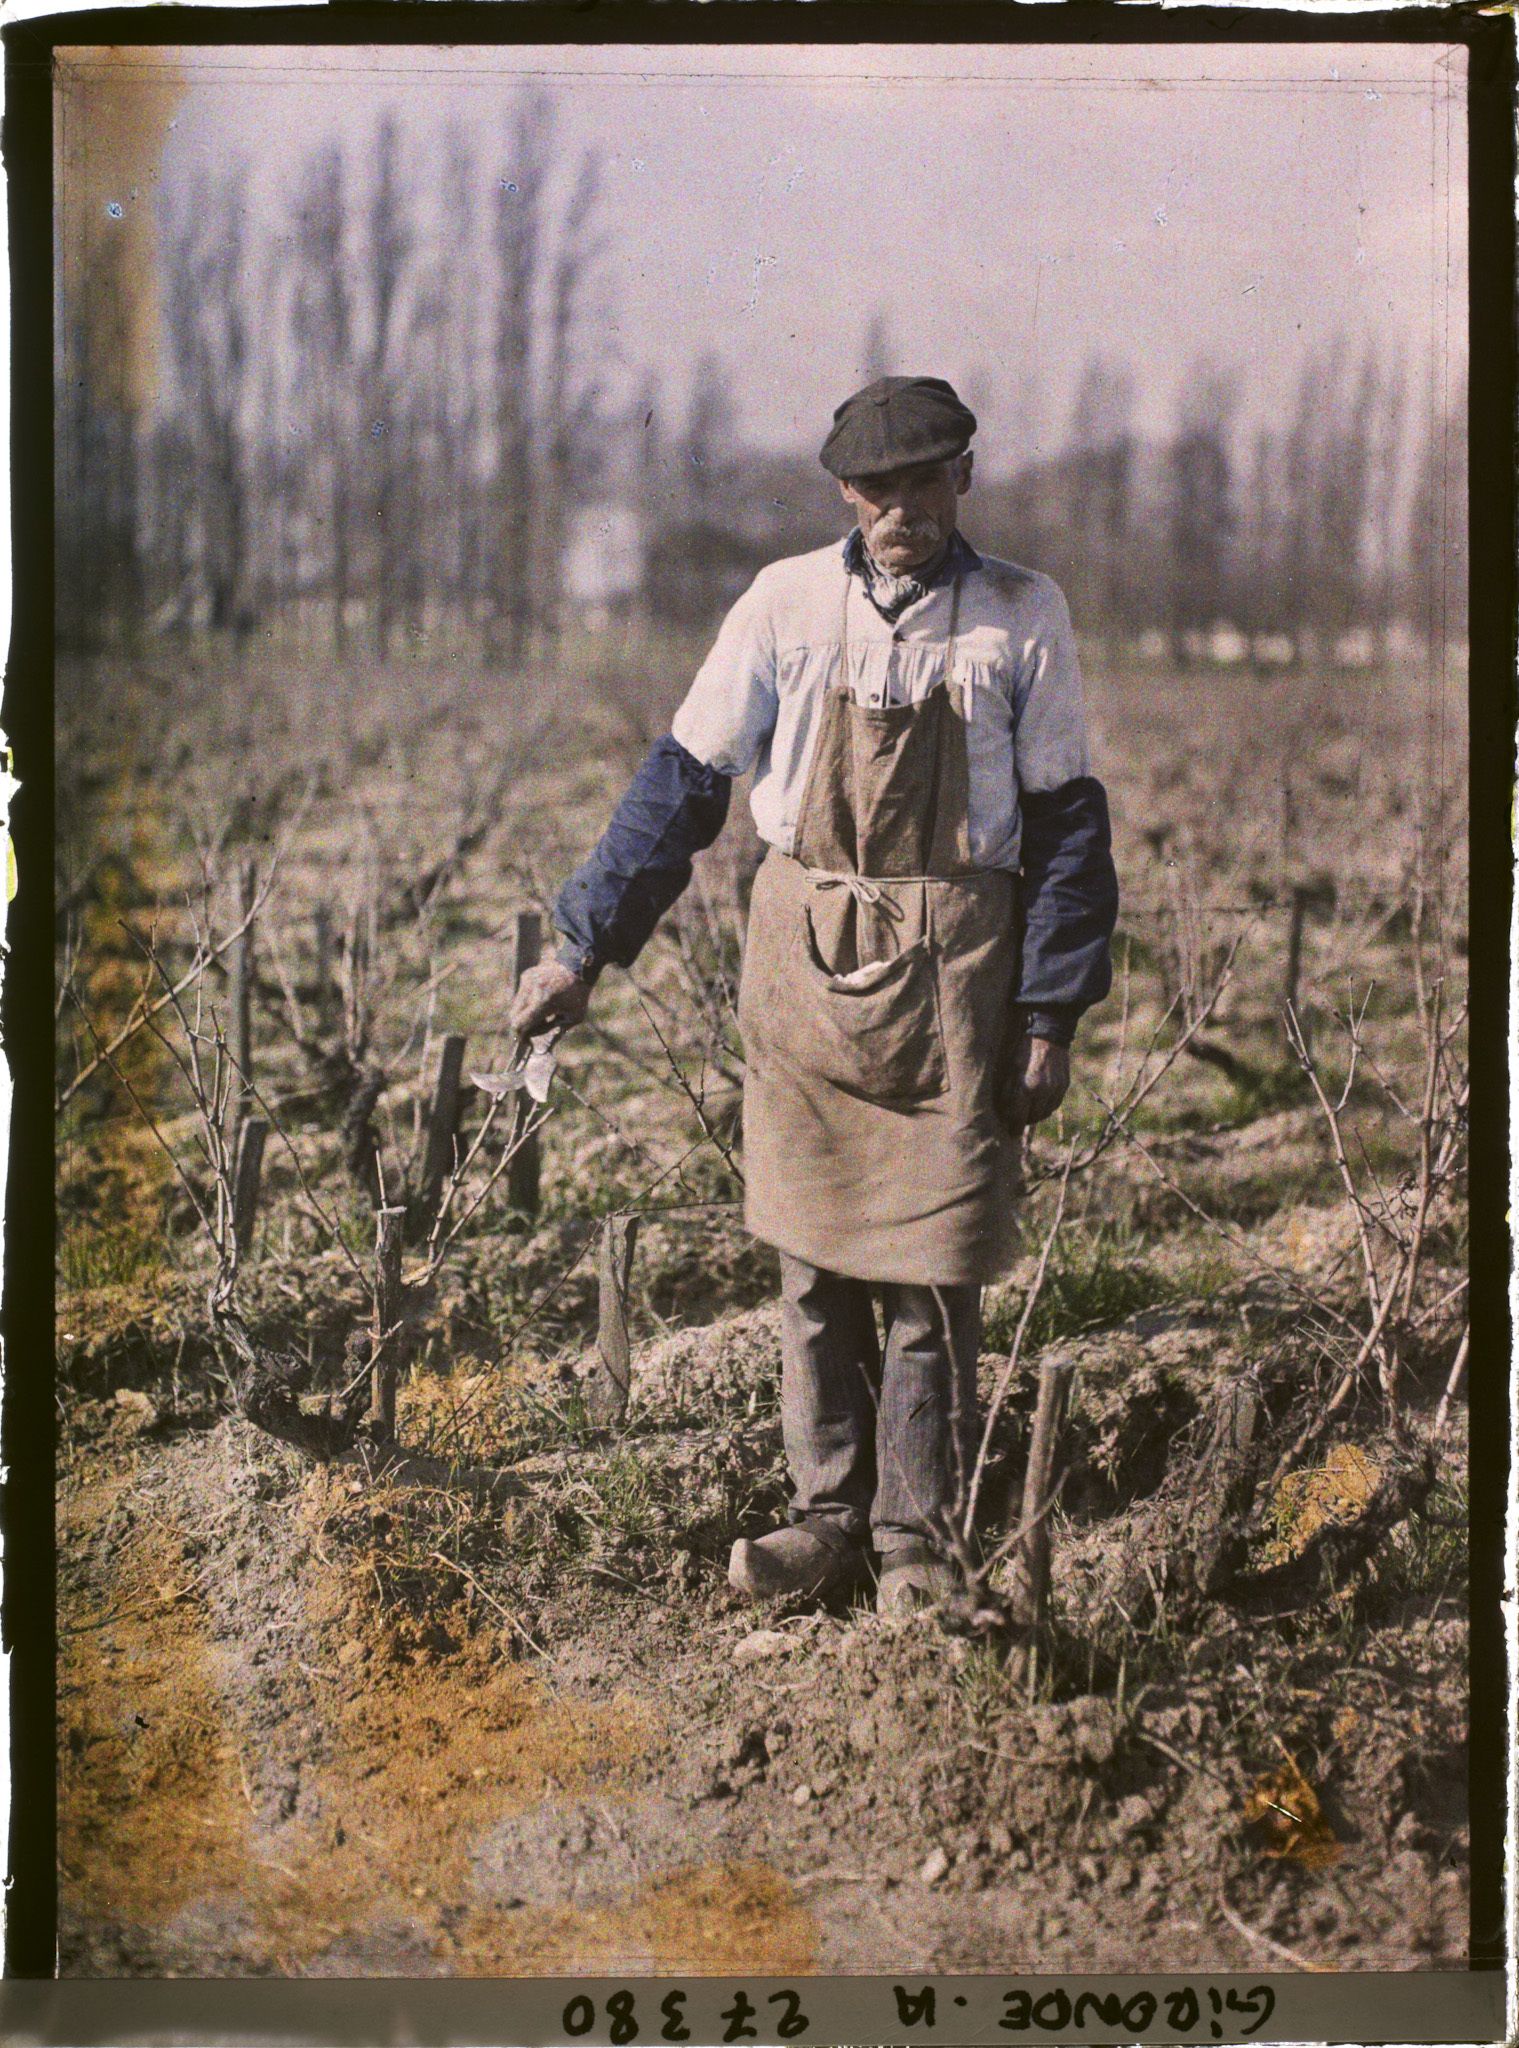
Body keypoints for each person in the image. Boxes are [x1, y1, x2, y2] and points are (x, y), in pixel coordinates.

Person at [510, 375, 1118, 1614]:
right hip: (804, 969)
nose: (901, 508)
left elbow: (1066, 826)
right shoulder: (783, 604)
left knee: (933, 1271)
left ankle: (917, 1543)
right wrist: (580, 948)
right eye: (876, 486)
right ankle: (825, 1518)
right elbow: (683, 785)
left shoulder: (1021, 614)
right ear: (845, 490)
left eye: (924, 480)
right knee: (812, 1265)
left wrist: (1048, 1014)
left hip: (956, 980)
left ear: (963, 477)